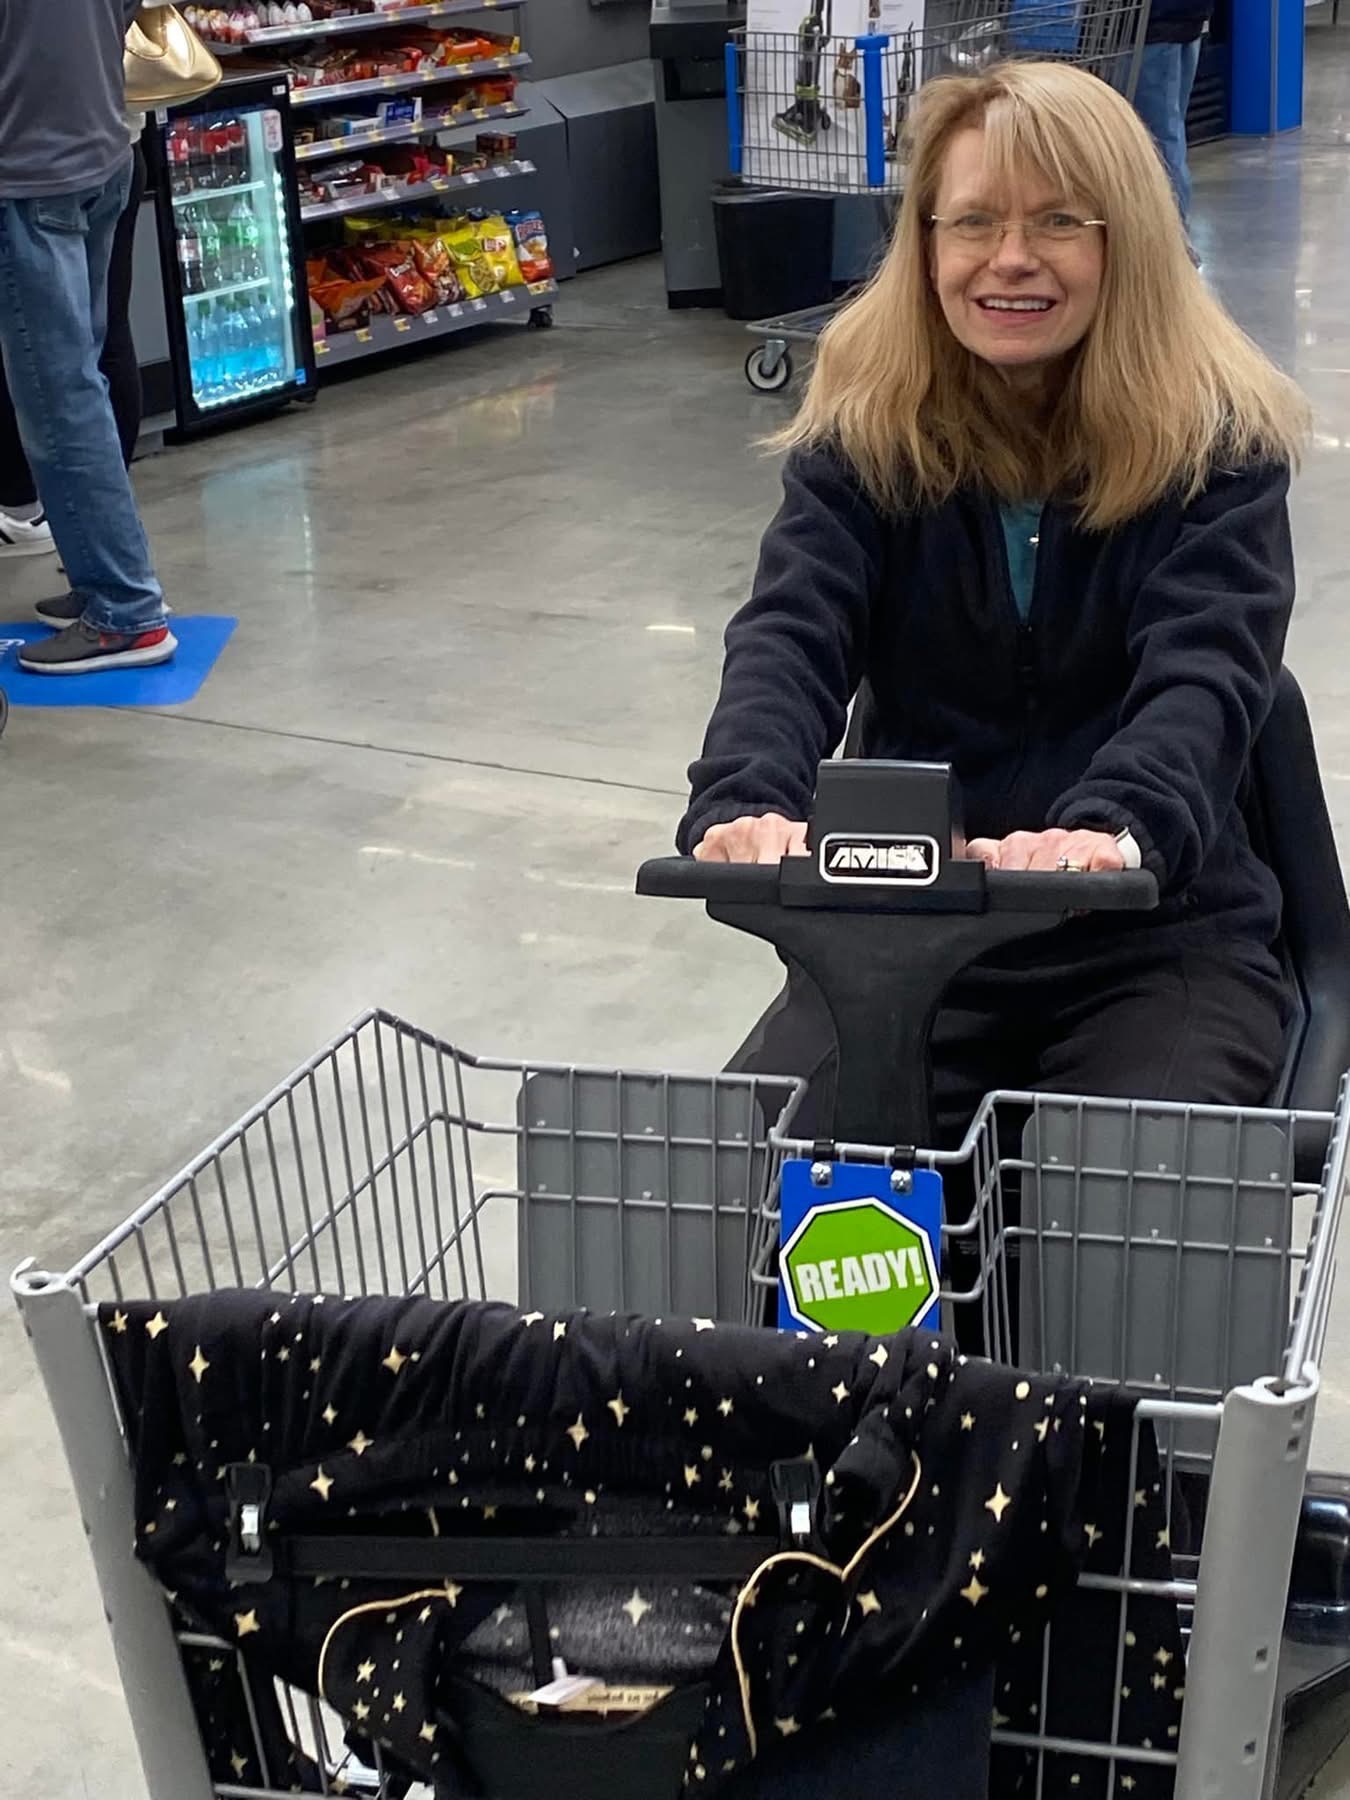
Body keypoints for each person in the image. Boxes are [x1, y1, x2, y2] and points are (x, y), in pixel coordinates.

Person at [678, 60, 1309, 1145]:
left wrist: (1111, 830)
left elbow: (1208, 671)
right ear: (926, 244)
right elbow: (792, 630)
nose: (1009, 259)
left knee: (1122, 1190)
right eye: (972, 222)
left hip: (1154, 938)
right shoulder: (866, 432)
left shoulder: (1219, 448)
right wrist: (745, 795)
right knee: (748, 1169)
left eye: (1059, 221)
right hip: (903, 931)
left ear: (1127, 243)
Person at [0, 0, 175, 673]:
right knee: (82, 384)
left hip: (29, 177)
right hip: (102, 152)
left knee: (60, 400)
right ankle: (102, 575)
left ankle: (125, 611)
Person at [0, 125, 147, 592]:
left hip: (37, 174)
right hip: (107, 152)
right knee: (90, 361)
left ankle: (121, 598)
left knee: (59, 386)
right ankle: (108, 562)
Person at [1131, 0, 1215, 232]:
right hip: (1187, 20)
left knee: (1157, 140)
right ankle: (1174, 231)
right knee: (1169, 133)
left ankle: (1172, 235)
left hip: (1150, 27)